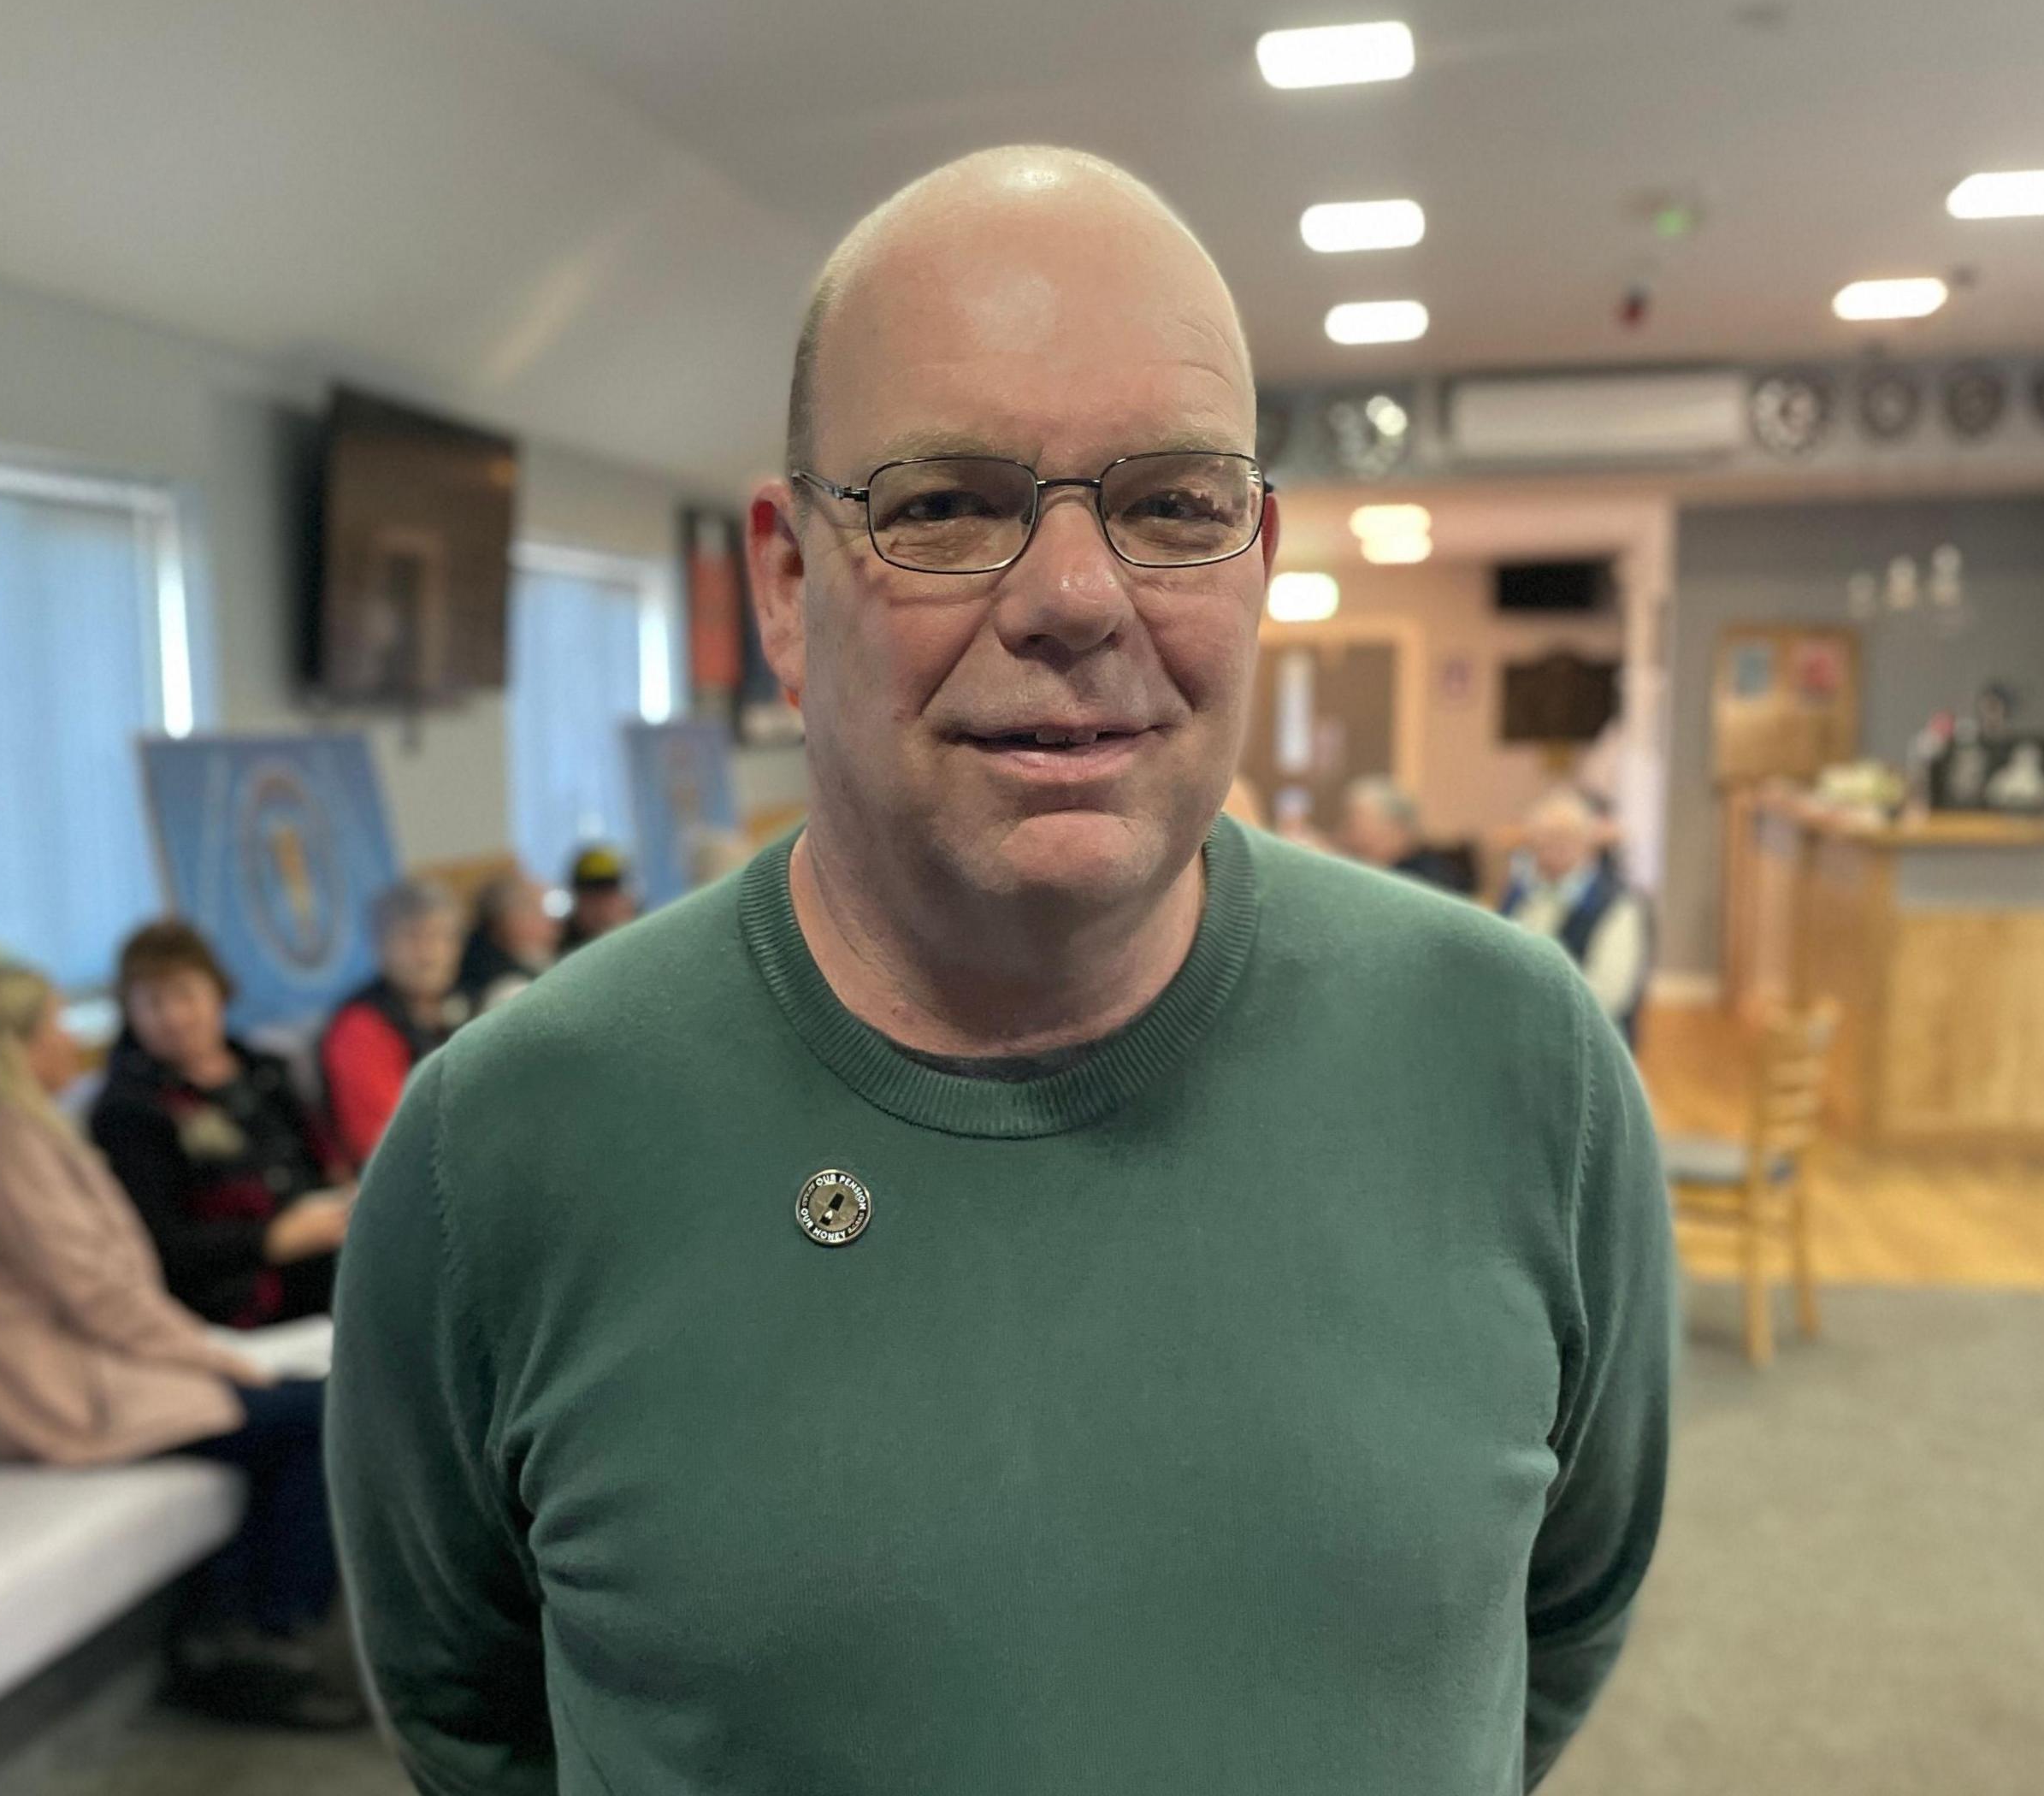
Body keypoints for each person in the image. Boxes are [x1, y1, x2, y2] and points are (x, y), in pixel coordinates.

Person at [331, 146, 1671, 1795]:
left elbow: (1556, 1619)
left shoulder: (1519, 1063)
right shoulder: (503, 1151)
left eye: (1172, 505)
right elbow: (469, 1717)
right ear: (784, 574)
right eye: (946, 505)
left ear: (1257, 554)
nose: (1073, 598)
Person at [0, 962, 357, 1728]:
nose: (71, 1038)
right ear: (13, 1044)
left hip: (97, 1369)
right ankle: (258, 1641)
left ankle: (241, 1626)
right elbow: (95, 1294)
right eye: (54, 1025)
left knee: (313, 1407)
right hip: (56, 1393)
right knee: (329, 1413)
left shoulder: (0, 1130)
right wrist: (219, 1355)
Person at [90, 919, 349, 1327]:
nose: (174, 1017)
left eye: (185, 995)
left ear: (219, 992)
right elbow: (162, 1246)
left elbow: (323, 1165)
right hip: (241, 1295)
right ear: (130, 1012)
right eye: (154, 1003)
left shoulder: (264, 1069)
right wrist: (273, 1239)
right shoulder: (128, 1109)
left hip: (325, 1255)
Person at [319, 877, 464, 1161]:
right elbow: (386, 1145)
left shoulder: (461, 1005)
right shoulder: (360, 1027)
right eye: (413, 937)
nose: (429, 953)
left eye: (442, 936)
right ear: (379, 946)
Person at [1499, 788, 1654, 1046]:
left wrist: (1529, 1008)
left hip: (1586, 1043)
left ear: (1587, 843)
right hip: (1518, 1031)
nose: (1553, 849)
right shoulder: (1519, 892)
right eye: (1544, 839)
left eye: (1566, 838)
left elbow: (1608, 997)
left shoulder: (1618, 903)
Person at [1337, 773, 1475, 894]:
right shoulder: (1374, 867)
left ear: (1394, 827)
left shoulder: (1430, 879)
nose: (1347, 831)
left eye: (1356, 822)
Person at [453, 867, 558, 1016]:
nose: (552, 923)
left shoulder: (535, 962)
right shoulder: (509, 991)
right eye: (538, 911)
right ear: (508, 921)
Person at [559, 842, 637, 952]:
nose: (601, 909)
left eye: (608, 896)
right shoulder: (561, 951)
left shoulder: (645, 942)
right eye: (590, 898)